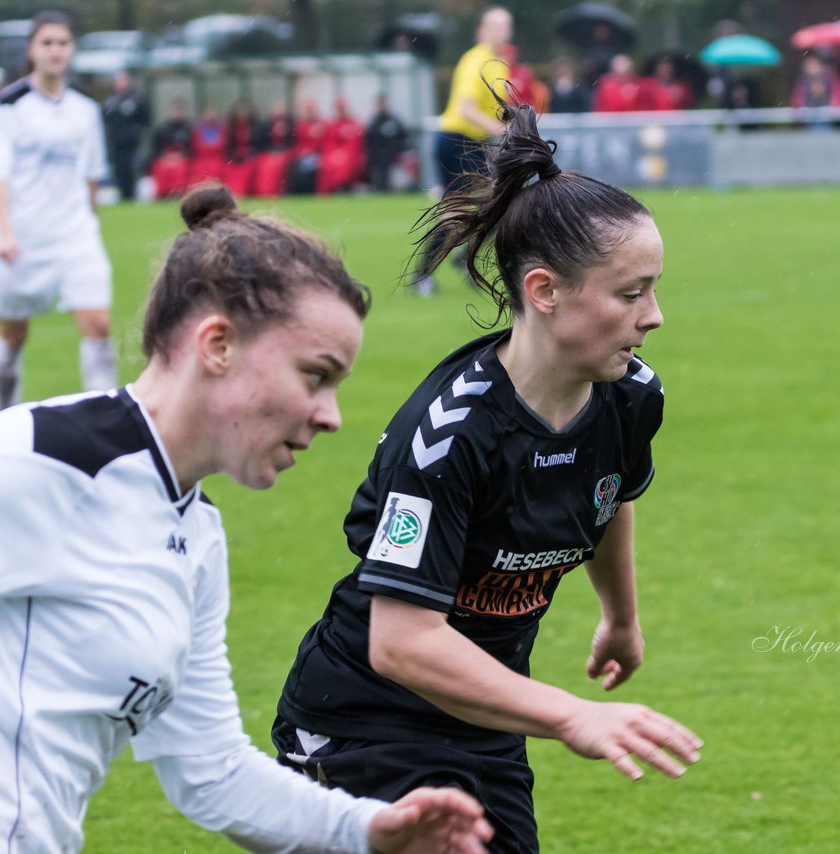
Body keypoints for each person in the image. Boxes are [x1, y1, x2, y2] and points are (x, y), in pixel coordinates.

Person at [0, 184, 494, 854]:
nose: (331, 415)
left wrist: (369, 829)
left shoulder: (195, 535)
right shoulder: (43, 459)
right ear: (218, 344)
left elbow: (213, 771)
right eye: (316, 375)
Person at [272, 94, 702, 854]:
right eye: (631, 293)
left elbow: (608, 499)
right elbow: (401, 642)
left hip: (485, 728)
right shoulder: (450, 437)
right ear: (543, 291)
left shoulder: (631, 395)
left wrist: (622, 618)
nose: (655, 315)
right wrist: (570, 715)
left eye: (654, 288)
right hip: (362, 725)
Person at [0, 11, 118, 412]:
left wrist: (91, 223)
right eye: (47, 43)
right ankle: (1, 418)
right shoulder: (8, 105)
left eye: (63, 43)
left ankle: (103, 423)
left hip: (75, 236)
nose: (56, 51)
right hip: (22, 240)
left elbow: (90, 175)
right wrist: (5, 231)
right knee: (13, 335)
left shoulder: (86, 109)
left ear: (72, 50)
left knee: (99, 328)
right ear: (32, 50)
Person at [411, 5, 512, 296]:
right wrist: (501, 131)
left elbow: (494, 109)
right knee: (456, 213)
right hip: (456, 142)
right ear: (481, 31)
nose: (501, 31)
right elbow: (467, 110)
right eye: (495, 26)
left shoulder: (498, 62)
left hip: (474, 145)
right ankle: (423, 276)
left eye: (505, 26)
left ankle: (463, 257)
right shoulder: (475, 61)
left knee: (501, 204)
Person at [102, 70, 150, 202]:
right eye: (118, 81)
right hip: (116, 145)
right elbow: (106, 120)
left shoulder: (137, 100)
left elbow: (145, 120)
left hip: (132, 145)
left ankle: (132, 197)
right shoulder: (110, 101)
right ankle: (123, 197)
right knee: (119, 172)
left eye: (124, 80)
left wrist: (135, 133)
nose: (121, 84)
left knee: (131, 171)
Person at [365, 94, 410, 192]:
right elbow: (369, 141)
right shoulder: (373, 122)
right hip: (378, 159)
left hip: (394, 158)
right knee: (380, 182)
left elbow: (403, 137)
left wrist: (400, 151)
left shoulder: (394, 120)